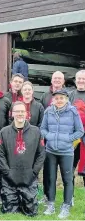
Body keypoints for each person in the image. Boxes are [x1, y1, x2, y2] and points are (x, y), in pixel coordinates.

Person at [0, 101, 45, 216]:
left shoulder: (36, 132)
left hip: (29, 177)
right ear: (12, 113)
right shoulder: (4, 132)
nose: (20, 114)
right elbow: (0, 155)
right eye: (17, 111)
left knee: (31, 212)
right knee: (9, 212)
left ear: (27, 113)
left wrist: (34, 172)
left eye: (22, 111)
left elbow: (41, 154)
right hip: (10, 178)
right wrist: (7, 172)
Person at [41, 89, 84, 219]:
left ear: (66, 99)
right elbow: (42, 129)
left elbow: (80, 131)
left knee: (67, 179)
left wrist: (67, 138)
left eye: (61, 98)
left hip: (66, 152)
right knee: (51, 178)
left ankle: (66, 205)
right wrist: (49, 136)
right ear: (53, 99)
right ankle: (51, 204)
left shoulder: (72, 112)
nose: (59, 100)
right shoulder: (48, 111)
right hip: (51, 151)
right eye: (56, 98)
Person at [39, 71, 65, 204]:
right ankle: (46, 195)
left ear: (63, 81)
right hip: (48, 137)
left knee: (66, 169)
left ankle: (68, 198)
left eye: (60, 79)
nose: (57, 80)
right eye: (55, 78)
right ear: (51, 81)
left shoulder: (67, 96)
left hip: (63, 138)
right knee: (48, 168)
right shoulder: (45, 96)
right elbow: (42, 117)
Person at [69, 70, 85, 194]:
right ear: (75, 80)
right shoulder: (70, 95)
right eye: (79, 78)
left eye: (83, 78)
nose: (81, 81)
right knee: (70, 166)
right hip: (74, 137)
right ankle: (70, 196)